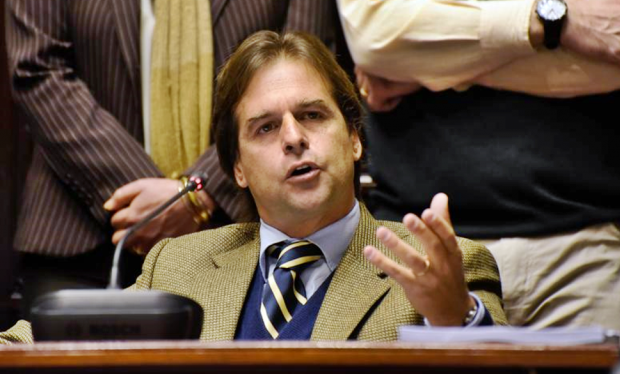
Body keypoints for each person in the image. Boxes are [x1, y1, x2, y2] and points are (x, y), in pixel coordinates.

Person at [0, 31, 505, 344]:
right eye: (265, 127)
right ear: (237, 169)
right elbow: (36, 341)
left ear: (354, 139)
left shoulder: (440, 266)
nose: (294, 138)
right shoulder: (177, 266)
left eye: (312, 115)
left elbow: (505, 365)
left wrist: (452, 319)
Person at [335, 0, 620, 351]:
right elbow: (377, 34)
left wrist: (426, 69)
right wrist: (554, 22)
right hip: (421, 249)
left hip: (591, 251)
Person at [5, 0, 335, 315]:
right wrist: (163, 203)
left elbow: (307, 69)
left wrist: (198, 193)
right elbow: (37, 68)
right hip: (82, 234)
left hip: (241, 232)